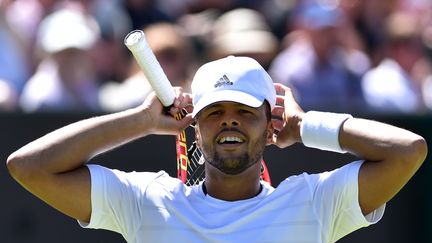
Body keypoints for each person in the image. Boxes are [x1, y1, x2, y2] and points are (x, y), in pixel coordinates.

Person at [6, 56, 427, 242]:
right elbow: (28, 166)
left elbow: (408, 150)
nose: (229, 120)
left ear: (270, 125)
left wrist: (304, 125)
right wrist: (139, 120)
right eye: (215, 112)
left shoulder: (314, 203)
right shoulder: (149, 201)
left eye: (245, 111)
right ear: (194, 127)